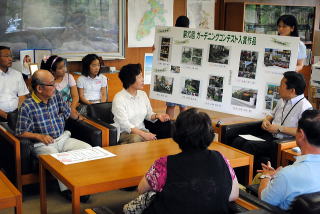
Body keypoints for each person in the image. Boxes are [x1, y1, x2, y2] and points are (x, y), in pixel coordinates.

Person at [134, 108, 239, 214]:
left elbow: (141, 189)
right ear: (210, 134)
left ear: (176, 133)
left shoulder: (164, 164)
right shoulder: (221, 158)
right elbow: (234, 194)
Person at [15, 69, 91, 202]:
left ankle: (81, 184)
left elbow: (69, 113)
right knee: (57, 159)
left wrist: (82, 119)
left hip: (62, 138)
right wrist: (39, 136)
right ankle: (68, 189)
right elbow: (20, 132)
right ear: (39, 88)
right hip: (42, 144)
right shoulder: (27, 106)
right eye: (51, 84)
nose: (55, 86)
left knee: (87, 148)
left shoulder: (56, 96)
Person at [231, 71, 312, 170]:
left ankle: (242, 179)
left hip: (281, 142)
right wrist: (266, 120)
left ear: (292, 90)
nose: (278, 88)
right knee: (238, 140)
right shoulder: (282, 100)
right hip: (270, 136)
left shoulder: (305, 107)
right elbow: (271, 115)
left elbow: (303, 132)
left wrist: (279, 129)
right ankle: (233, 175)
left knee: (249, 146)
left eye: (281, 85)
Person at [258, 109, 320, 210]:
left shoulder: (287, 175)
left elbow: (264, 201)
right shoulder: (286, 175)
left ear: (301, 135)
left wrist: (266, 176)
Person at [112, 63, 170, 144]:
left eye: (142, 76)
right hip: (124, 133)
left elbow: (148, 115)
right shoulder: (119, 98)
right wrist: (144, 135)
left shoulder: (142, 94)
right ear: (130, 79)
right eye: (139, 77)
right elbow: (125, 124)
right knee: (136, 138)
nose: (143, 79)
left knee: (167, 127)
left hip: (141, 130)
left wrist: (157, 116)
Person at [165, 16, 190, 119]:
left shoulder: (169, 34)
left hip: (171, 73)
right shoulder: (189, 37)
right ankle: (183, 128)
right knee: (183, 106)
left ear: (175, 24)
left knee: (170, 106)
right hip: (183, 74)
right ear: (188, 27)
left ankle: (168, 127)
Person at [0, 46, 29, 121]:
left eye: (11, 56)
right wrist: (6, 116)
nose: (10, 59)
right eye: (6, 56)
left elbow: (22, 95)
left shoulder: (17, 74)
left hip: (17, 114)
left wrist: (19, 113)